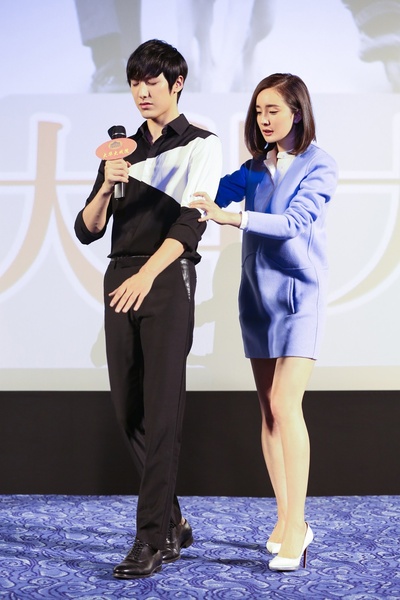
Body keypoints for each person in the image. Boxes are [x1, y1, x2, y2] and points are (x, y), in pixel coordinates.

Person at [74, 39, 222, 579]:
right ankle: (174, 520)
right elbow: (87, 229)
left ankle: (150, 539)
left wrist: (147, 275)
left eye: (152, 81)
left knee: (162, 414)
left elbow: (190, 224)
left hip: (166, 276)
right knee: (128, 412)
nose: (141, 91)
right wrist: (104, 188)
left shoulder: (201, 144)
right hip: (120, 276)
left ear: (176, 84)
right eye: (134, 82)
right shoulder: (122, 151)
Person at [191, 73, 338, 572]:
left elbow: (294, 224)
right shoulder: (255, 168)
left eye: (273, 109)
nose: (264, 119)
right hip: (256, 300)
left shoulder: (320, 165)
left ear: (297, 110)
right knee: (268, 413)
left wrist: (233, 218)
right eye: (258, 111)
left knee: (284, 403)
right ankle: (284, 515)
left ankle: (298, 524)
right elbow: (208, 192)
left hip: (299, 299)